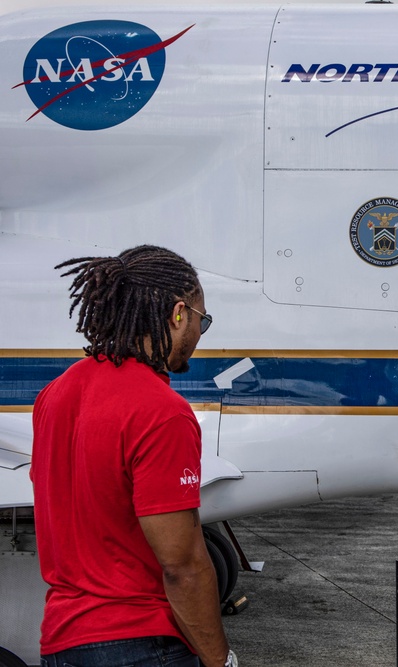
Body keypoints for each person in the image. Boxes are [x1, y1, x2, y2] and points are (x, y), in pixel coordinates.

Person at [31, 245, 236, 667]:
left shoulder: (53, 395)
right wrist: (219, 661)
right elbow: (183, 565)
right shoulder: (163, 412)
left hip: (61, 642)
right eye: (203, 320)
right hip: (141, 643)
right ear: (179, 314)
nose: (199, 334)